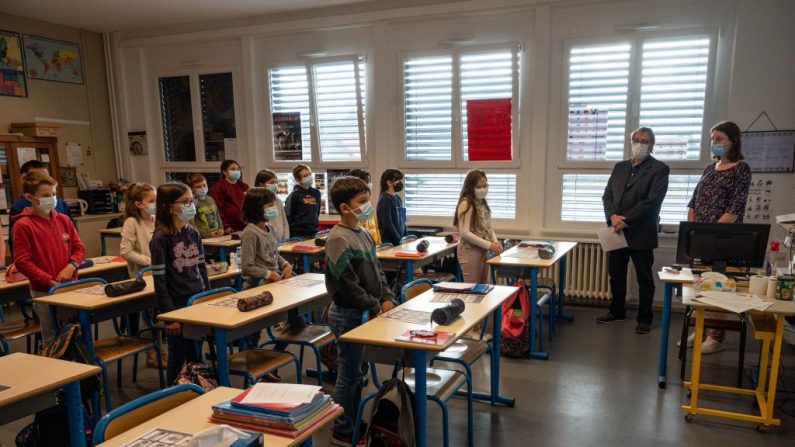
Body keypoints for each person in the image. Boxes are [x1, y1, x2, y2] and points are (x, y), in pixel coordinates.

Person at [325, 176, 396, 446]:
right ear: (345, 207)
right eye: (362, 202)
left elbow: (378, 272)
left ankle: (352, 420)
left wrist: (387, 296)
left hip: (366, 311)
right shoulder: (338, 239)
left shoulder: (364, 233)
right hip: (348, 314)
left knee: (359, 372)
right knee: (349, 375)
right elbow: (347, 285)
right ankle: (342, 428)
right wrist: (375, 304)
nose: (368, 206)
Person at [683, 121, 752, 353]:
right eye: (713, 139)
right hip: (701, 237)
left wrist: (712, 234)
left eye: (720, 139)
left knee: (719, 285)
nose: (715, 143)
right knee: (700, 285)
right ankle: (701, 328)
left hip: (722, 240)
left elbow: (735, 208)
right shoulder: (709, 168)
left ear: (733, 140)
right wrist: (694, 229)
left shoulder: (741, 169)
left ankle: (716, 335)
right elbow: (694, 200)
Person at [598, 127, 670, 335]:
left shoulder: (659, 169)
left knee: (644, 278)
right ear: (631, 142)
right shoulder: (620, 167)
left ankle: (644, 318)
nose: (640, 144)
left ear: (652, 145)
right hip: (617, 232)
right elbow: (607, 196)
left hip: (641, 232)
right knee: (616, 274)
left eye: (645, 141)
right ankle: (617, 311)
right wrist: (613, 217)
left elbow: (652, 201)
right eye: (636, 140)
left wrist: (625, 220)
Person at [12, 172, 86, 344]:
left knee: (75, 332)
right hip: (43, 290)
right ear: (29, 197)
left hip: (70, 286)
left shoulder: (64, 220)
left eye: (53, 194)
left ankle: (80, 366)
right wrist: (49, 281)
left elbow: (79, 248)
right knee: (51, 336)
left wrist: (71, 266)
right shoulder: (23, 225)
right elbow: (22, 262)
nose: (52, 199)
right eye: (45, 196)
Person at [150, 182, 210, 384]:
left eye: (191, 200)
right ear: (168, 206)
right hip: (177, 305)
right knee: (178, 354)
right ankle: (173, 393)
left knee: (195, 351)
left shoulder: (193, 233)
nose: (190, 205)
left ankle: (195, 388)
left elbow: (202, 270)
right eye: (185, 201)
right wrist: (169, 316)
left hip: (197, 301)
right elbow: (160, 281)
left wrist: (208, 299)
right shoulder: (161, 239)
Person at [8, 160, 73, 257]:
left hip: (65, 261)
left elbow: (73, 238)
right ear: (24, 180)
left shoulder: (61, 204)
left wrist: (73, 262)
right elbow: (16, 247)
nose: (43, 180)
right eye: (38, 177)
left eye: (45, 177)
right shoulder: (19, 208)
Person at [454, 170, 502, 283]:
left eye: (485, 186)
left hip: (482, 250)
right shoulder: (467, 204)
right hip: (470, 251)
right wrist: (490, 245)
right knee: (473, 289)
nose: (483, 189)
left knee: (483, 288)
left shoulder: (482, 202)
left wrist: (495, 242)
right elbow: (464, 233)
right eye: (478, 186)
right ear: (470, 187)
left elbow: (488, 226)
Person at [119, 183, 156, 278]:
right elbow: (125, 251)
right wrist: (150, 261)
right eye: (151, 201)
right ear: (138, 204)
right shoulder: (132, 222)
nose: (155, 204)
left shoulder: (158, 220)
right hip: (143, 274)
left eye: (156, 200)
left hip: (161, 271)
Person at [209, 160, 249, 233]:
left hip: (244, 225)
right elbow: (217, 208)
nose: (236, 171)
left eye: (238, 169)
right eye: (233, 169)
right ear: (224, 172)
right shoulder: (219, 187)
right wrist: (225, 226)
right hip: (229, 227)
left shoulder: (244, 186)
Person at [285, 164, 321, 239]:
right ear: (298, 179)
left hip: (314, 231)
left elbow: (317, 212)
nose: (309, 177)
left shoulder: (316, 193)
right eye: (305, 176)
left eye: (310, 174)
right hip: (299, 234)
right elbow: (288, 217)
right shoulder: (294, 195)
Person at [254, 170, 290, 241]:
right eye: (271, 182)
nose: (275, 185)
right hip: (265, 240)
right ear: (261, 185)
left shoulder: (278, 201)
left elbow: (284, 222)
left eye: (276, 182)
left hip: (280, 240)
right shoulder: (255, 202)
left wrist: (286, 239)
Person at [348, 168, 381, 244]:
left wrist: (379, 242)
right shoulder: (352, 206)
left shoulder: (369, 202)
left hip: (373, 245)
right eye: (367, 183)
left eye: (369, 183)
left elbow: (374, 225)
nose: (369, 186)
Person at [375, 168, 407, 246]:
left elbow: (403, 219)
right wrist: (399, 239)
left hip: (400, 241)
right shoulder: (384, 199)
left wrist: (406, 236)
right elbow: (388, 224)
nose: (400, 183)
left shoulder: (398, 198)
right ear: (389, 182)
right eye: (398, 181)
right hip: (391, 242)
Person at [188, 173, 224, 238]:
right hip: (203, 238)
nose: (202, 188)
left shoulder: (210, 199)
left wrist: (221, 229)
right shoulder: (191, 203)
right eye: (198, 187)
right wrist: (206, 234)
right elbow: (191, 224)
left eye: (204, 185)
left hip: (217, 236)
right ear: (192, 189)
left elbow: (217, 216)